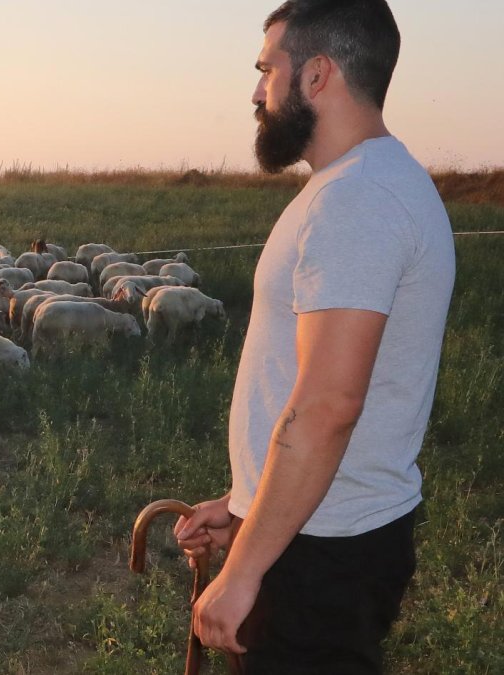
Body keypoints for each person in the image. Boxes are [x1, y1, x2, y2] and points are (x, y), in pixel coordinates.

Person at [172, 1, 456, 672]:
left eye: (268, 69)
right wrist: (243, 503)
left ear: (317, 75)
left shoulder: (358, 201)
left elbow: (328, 407)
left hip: (320, 553)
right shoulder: (364, 186)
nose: (256, 91)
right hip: (317, 532)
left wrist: (244, 570)